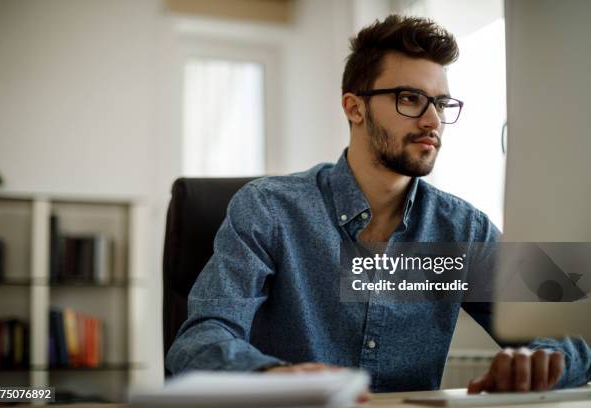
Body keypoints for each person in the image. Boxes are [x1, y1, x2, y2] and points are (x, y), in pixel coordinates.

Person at [166, 15, 590, 394]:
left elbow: (569, 328)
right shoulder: (269, 210)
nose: (433, 121)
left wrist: (547, 361)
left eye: (441, 103)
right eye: (410, 99)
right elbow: (199, 341)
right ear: (354, 108)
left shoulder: (464, 230)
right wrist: (269, 376)